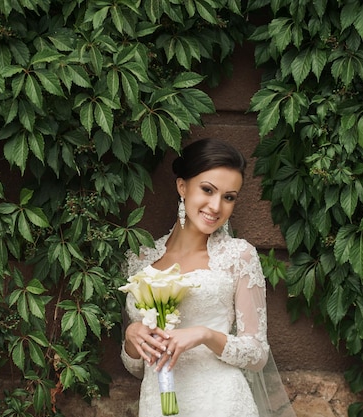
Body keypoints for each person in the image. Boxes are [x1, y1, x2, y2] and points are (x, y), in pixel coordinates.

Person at [120, 138, 296, 417]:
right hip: (157, 405)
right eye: (207, 190)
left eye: (229, 197)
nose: (216, 206)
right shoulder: (141, 259)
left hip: (221, 403)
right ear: (182, 187)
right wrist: (132, 337)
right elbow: (136, 367)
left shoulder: (239, 256)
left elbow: (257, 354)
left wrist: (204, 335)